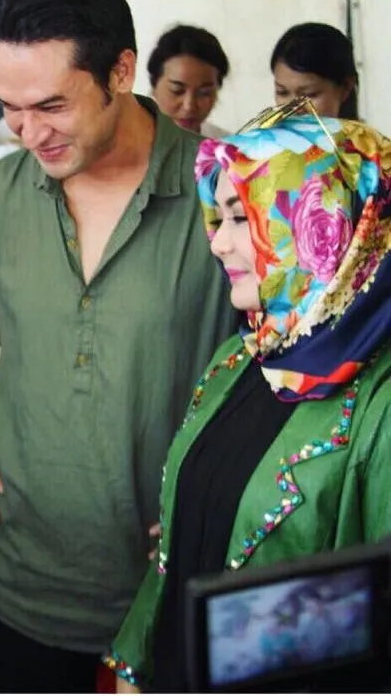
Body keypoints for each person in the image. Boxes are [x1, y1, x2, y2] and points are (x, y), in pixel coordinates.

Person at [0, 0, 235, 692]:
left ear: (121, 71)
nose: (29, 133)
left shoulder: (223, 193)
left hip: (177, 574)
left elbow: (290, 363)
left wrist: (224, 493)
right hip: (28, 576)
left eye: (52, 105)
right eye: (11, 109)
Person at [107, 104, 391, 692]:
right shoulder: (246, 356)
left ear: (330, 224)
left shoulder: (380, 405)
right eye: (219, 217)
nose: (218, 243)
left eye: (243, 218)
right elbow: (182, 535)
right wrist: (136, 666)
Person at [147, 24, 230, 137]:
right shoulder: (124, 146)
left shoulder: (228, 148)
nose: (189, 106)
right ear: (154, 86)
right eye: (177, 91)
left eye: (204, 93)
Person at [271, 22, 359, 119]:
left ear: (345, 88)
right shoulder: (263, 134)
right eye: (282, 92)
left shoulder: (367, 134)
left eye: (308, 95)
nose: (293, 109)